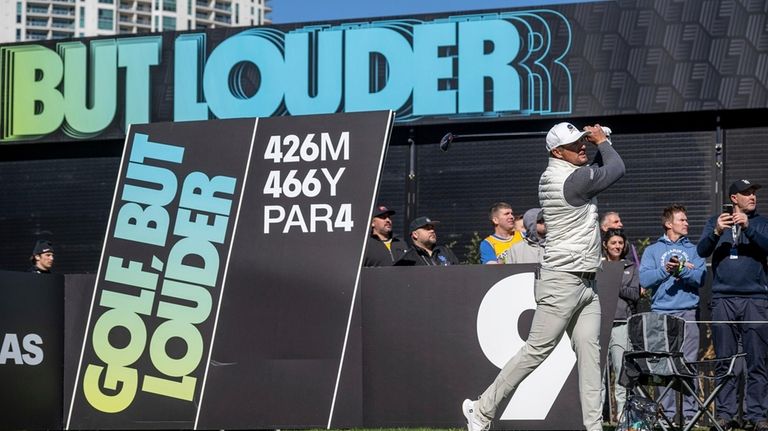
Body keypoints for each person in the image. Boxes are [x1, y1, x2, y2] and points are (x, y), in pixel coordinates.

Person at [462, 122, 625, 431]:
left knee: (590, 358)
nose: (581, 146)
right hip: (561, 281)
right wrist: (602, 140)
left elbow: (597, 167)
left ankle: (593, 428)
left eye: (582, 141)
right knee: (536, 351)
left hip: (586, 282)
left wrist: (600, 142)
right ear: (556, 152)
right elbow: (615, 168)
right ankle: (481, 410)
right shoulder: (569, 182)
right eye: (574, 144)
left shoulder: (565, 174)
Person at [696, 179, 768, 431]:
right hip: (723, 299)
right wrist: (716, 232)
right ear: (733, 198)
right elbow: (701, 250)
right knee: (724, 361)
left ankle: (757, 415)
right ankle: (726, 415)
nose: (753, 197)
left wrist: (748, 227)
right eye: (747, 193)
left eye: (754, 193)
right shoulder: (717, 221)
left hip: (755, 299)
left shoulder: (761, 223)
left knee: (757, 360)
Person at [638, 204, 706, 422]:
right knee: (661, 365)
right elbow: (645, 280)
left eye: (686, 220)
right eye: (682, 220)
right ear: (669, 224)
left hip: (688, 312)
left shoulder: (695, 250)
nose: (687, 223)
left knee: (689, 365)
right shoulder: (652, 251)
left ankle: (689, 416)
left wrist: (683, 270)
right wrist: (665, 270)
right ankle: (666, 416)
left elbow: (701, 278)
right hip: (661, 313)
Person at [600, 228, 640, 421]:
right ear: (605, 245)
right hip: (598, 324)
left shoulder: (630, 266)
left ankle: (623, 419)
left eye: (620, 243)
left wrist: (613, 281)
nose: (617, 246)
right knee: (597, 375)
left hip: (621, 325)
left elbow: (635, 294)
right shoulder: (596, 265)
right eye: (613, 243)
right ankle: (595, 419)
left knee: (621, 372)